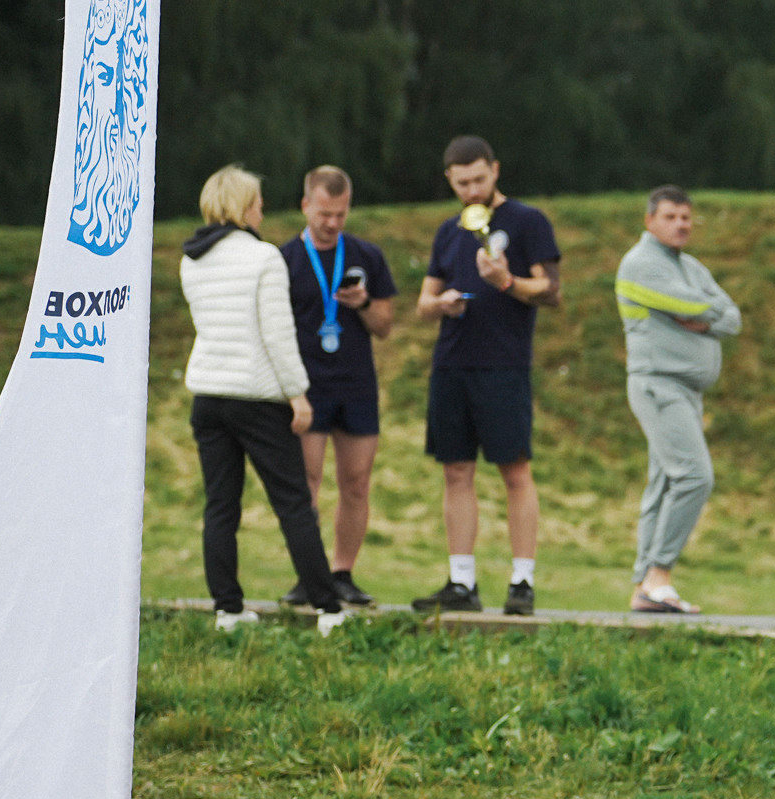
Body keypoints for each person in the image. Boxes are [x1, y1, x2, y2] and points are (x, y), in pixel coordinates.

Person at [176, 165, 346, 636]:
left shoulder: (192, 260)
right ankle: (329, 610)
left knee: (220, 507)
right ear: (241, 207)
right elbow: (277, 335)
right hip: (256, 397)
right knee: (293, 503)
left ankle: (227, 610)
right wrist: (299, 394)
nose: (262, 209)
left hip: (208, 395)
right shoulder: (265, 258)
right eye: (257, 201)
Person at [411, 135, 561, 617]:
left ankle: (522, 582)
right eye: (462, 183)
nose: (472, 191)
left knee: (514, 470)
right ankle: (461, 581)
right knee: (456, 470)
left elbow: (552, 291)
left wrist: (507, 283)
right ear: (450, 181)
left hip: (504, 363)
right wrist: (440, 304)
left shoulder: (527, 221)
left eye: (479, 180)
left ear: (495, 171)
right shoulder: (448, 231)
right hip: (453, 362)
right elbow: (422, 303)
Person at [616, 185, 743, 613]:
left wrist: (704, 317)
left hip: (687, 391)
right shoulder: (639, 265)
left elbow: (733, 318)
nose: (680, 224)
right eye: (670, 216)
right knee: (694, 476)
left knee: (665, 482)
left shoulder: (691, 267)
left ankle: (643, 588)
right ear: (649, 221)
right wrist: (707, 311)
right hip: (658, 385)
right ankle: (659, 575)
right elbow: (693, 306)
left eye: (686, 217)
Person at [278, 165, 396, 607]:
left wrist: (362, 303)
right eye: (324, 213)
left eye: (340, 214)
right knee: (306, 481)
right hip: (305, 387)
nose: (332, 223)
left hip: (356, 385)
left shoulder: (367, 255)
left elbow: (384, 326)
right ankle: (308, 574)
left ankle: (342, 572)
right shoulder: (284, 260)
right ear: (305, 205)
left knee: (356, 482)